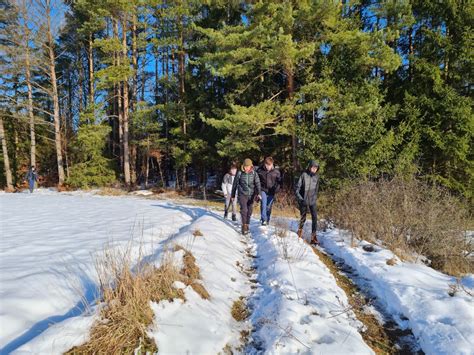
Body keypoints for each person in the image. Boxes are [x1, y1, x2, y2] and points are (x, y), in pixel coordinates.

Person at [231, 158, 262, 235]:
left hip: (251, 194)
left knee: (249, 210)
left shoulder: (254, 174)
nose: (246, 168)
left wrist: (259, 193)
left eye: (248, 166)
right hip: (242, 194)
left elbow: (258, 184)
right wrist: (233, 194)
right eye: (245, 166)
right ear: (243, 166)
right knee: (244, 210)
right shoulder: (239, 173)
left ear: (251, 166)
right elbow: (235, 184)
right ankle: (244, 225)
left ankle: (247, 224)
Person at [295, 160, 320, 245]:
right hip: (303, 200)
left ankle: (313, 237)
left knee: (315, 218)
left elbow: (316, 190)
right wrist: (301, 199)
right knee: (303, 217)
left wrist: (314, 198)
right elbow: (297, 189)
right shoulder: (303, 175)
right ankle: (300, 231)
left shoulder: (317, 177)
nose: (314, 169)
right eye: (313, 167)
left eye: (316, 168)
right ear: (309, 167)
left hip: (312, 200)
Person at [257, 157, 281, 226]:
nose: (268, 167)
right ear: (265, 164)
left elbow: (279, 182)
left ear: (272, 164)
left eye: (270, 165)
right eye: (267, 165)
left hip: (271, 191)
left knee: (268, 207)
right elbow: (257, 181)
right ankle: (263, 219)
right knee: (263, 204)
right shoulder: (260, 170)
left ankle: (267, 219)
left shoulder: (276, 172)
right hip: (263, 190)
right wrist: (258, 191)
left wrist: (276, 189)